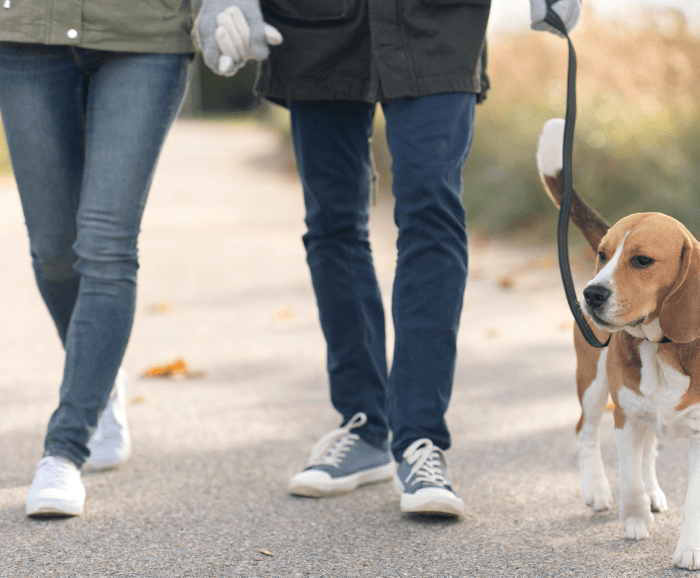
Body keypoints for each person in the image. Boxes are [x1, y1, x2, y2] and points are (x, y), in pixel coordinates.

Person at [194, 0, 581, 517]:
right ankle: (363, 426)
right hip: (314, 26)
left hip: (436, 23)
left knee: (431, 212)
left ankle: (421, 440)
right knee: (332, 222)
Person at [0, 2, 194, 516]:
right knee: (53, 251)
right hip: (27, 31)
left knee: (107, 243)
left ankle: (64, 450)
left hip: (144, 33)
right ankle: (99, 376)